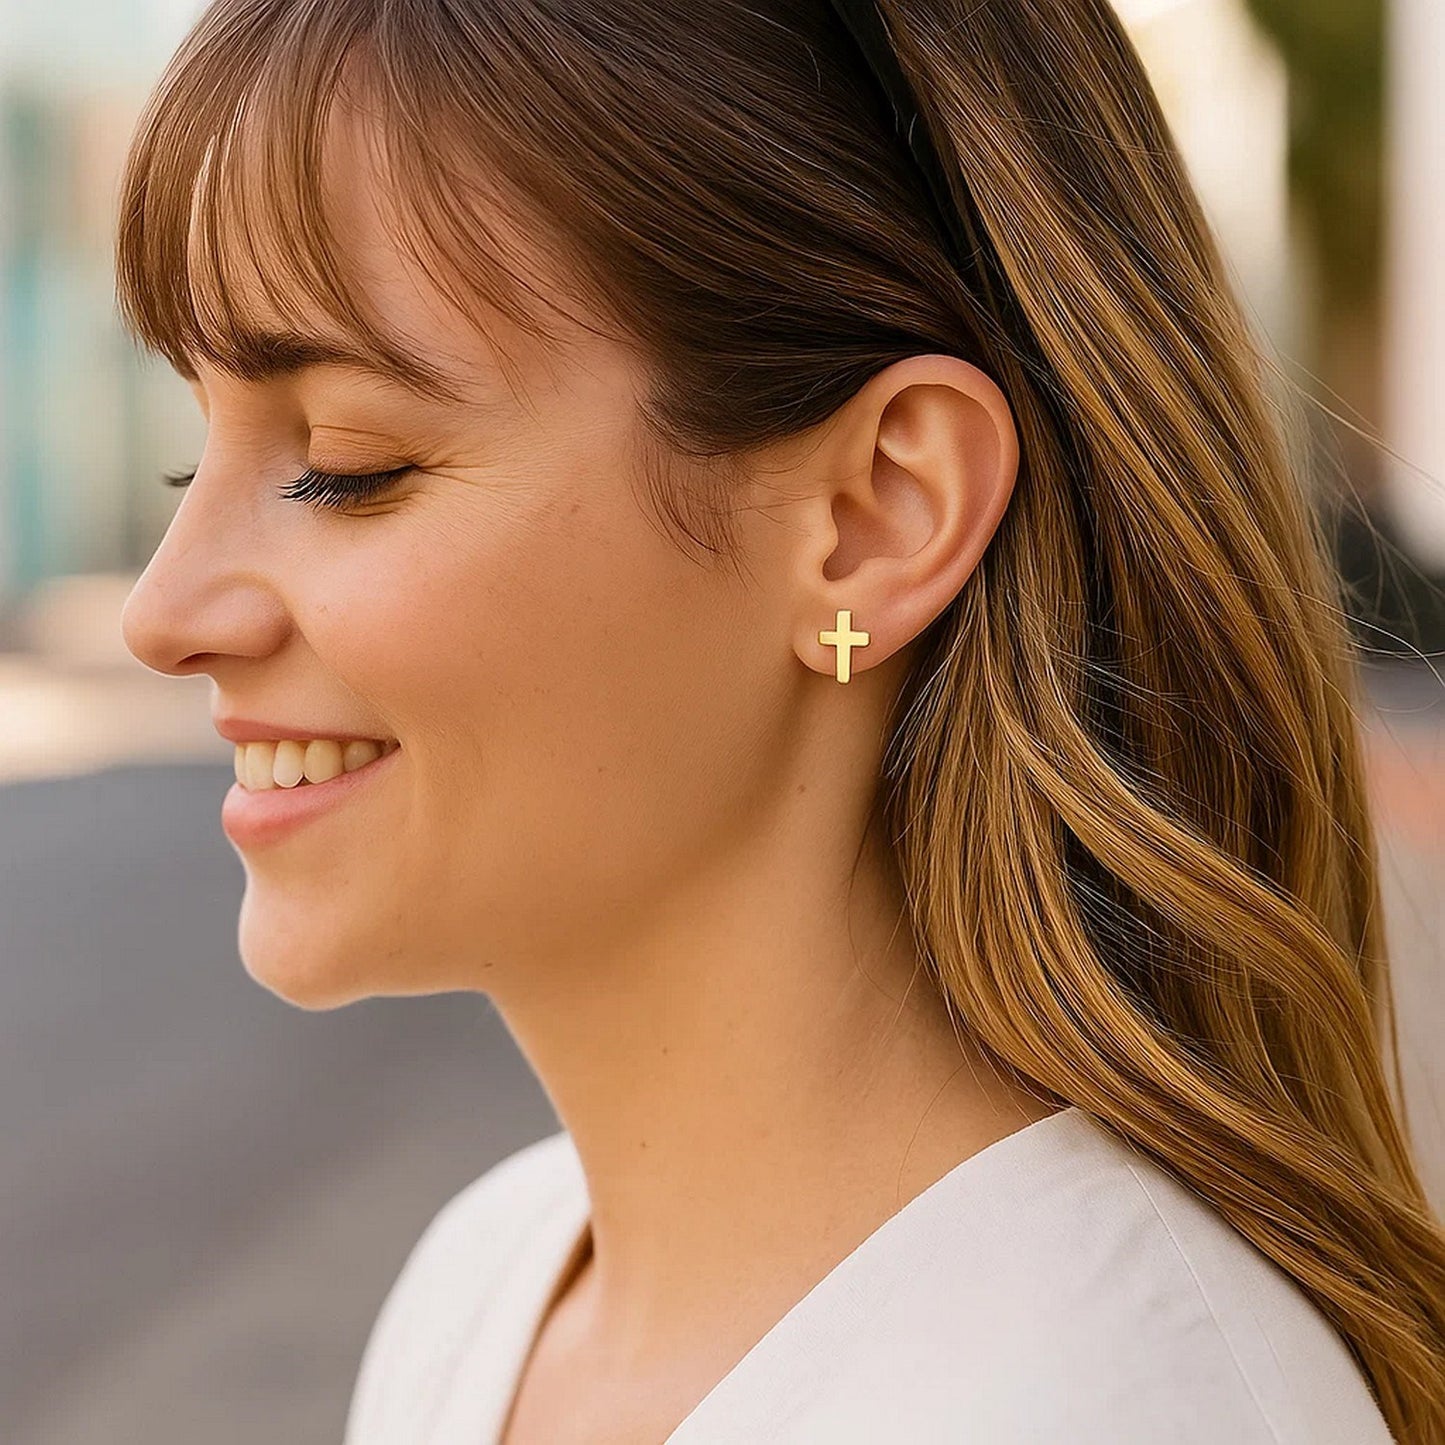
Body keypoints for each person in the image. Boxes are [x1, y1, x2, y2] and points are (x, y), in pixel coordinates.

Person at [114, 0, 1445, 1441]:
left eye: (346, 465)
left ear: (877, 515)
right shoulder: (482, 1292)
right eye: (198, 452)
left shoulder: (1127, 1401)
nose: (162, 611)